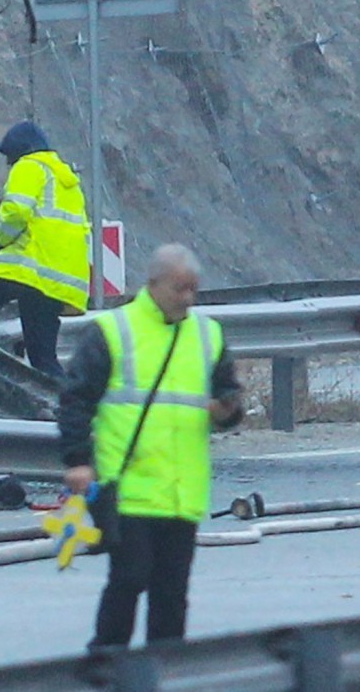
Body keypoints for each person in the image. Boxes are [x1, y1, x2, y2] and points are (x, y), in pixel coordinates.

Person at [59, 243, 244, 650]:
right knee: (129, 579)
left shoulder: (207, 334)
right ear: (154, 284)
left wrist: (227, 411)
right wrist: (78, 459)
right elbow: (75, 398)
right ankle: (108, 662)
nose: (188, 299)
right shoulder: (113, 331)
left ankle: (165, 673)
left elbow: (229, 397)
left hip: (182, 492)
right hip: (128, 487)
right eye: (180, 289)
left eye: (194, 290)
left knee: (171, 594)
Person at [0, 120, 90, 380]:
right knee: (44, 359)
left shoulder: (29, 167)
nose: (9, 164)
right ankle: (66, 403)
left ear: (21, 151)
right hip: (54, 283)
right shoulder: (67, 182)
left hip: (24, 269)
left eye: (10, 157)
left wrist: (0, 242)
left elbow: (15, 213)